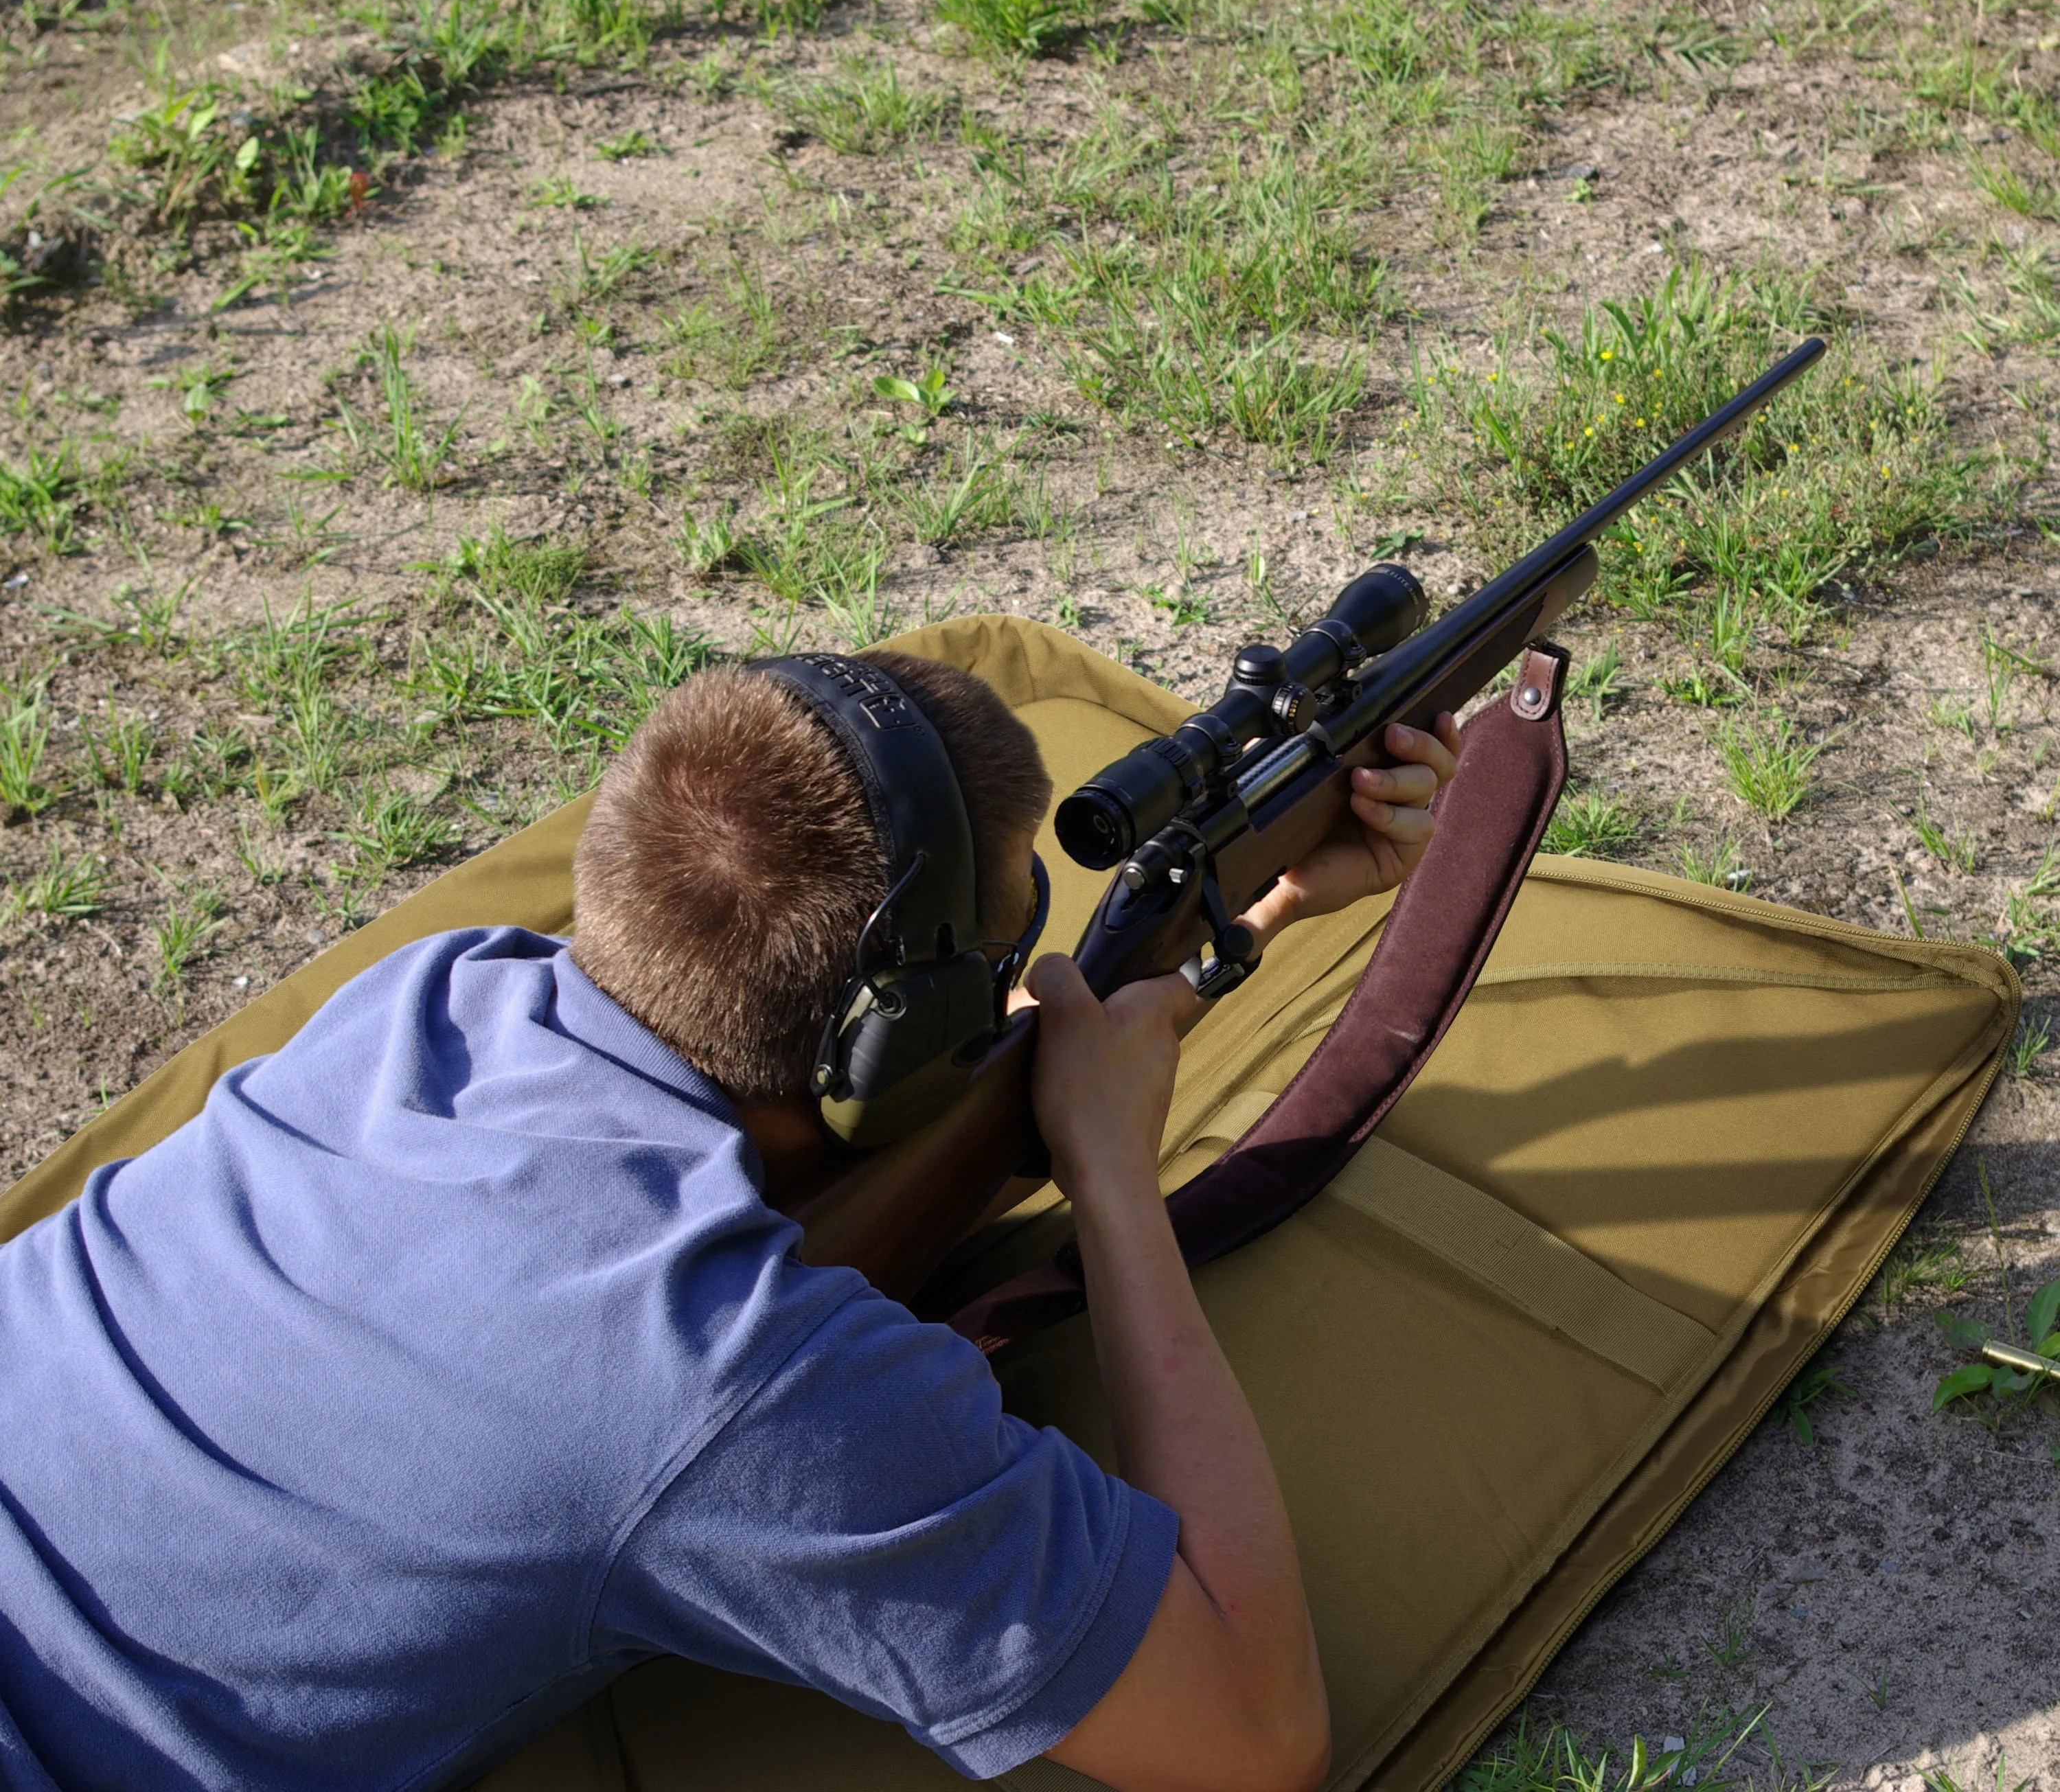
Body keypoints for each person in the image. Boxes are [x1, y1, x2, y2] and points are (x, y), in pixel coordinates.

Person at [0, 648, 1459, 1792]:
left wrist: (1243, 921)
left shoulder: (433, 1001)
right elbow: (1255, 1735)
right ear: (899, 1036)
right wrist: (1116, 1184)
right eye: (1021, 932)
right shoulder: (732, 1377)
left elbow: (819, 1105)